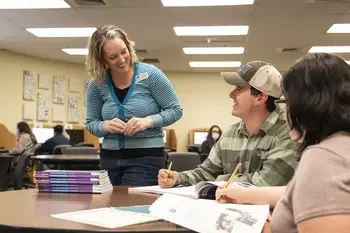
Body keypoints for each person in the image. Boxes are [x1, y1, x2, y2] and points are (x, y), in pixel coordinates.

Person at [216, 53, 350, 233]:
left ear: (307, 106)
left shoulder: (323, 156)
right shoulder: (342, 145)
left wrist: (270, 229)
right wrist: (240, 193)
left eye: (286, 102)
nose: (283, 112)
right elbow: (301, 192)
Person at [158, 61, 299, 188]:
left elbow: (266, 184)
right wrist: (178, 178)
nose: (231, 94)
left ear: (260, 97)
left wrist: (219, 180)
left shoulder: (288, 132)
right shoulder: (231, 133)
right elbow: (206, 173)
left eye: (239, 89)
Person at [85, 25, 183, 186]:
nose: (122, 60)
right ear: (102, 60)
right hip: (109, 157)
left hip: (147, 156)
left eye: (124, 52)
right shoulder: (97, 84)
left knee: (134, 205)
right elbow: (91, 123)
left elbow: (175, 110)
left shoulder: (151, 74)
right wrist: (105, 126)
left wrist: (148, 121)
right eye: (113, 57)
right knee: (109, 207)